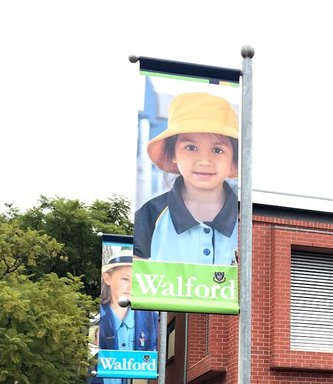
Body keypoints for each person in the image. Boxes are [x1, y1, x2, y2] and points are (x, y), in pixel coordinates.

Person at [134, 92, 238, 265]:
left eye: (217, 150)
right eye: (191, 147)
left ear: (233, 160)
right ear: (172, 153)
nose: (204, 161)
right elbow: (130, 276)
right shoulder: (150, 215)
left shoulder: (248, 220)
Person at [98, 249, 158, 383]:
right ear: (108, 278)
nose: (131, 286)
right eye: (125, 279)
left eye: (137, 280)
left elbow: (150, 354)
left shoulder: (150, 317)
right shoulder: (97, 316)